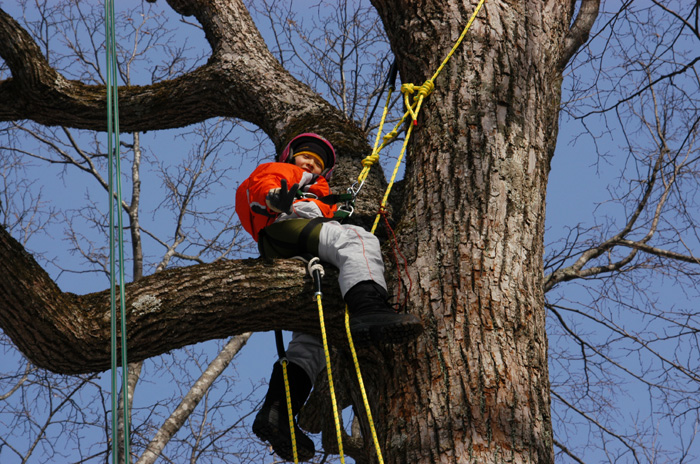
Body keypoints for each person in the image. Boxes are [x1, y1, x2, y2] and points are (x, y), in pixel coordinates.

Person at [235, 133, 422, 461]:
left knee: (313, 343)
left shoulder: (318, 190)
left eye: (318, 162)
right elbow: (263, 185)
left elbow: (323, 209)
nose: (310, 163)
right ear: (292, 156)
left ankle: (278, 414)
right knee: (357, 240)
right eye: (306, 157)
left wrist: (337, 209)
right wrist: (275, 198)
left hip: (297, 246)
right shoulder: (285, 172)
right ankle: (368, 309)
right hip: (284, 227)